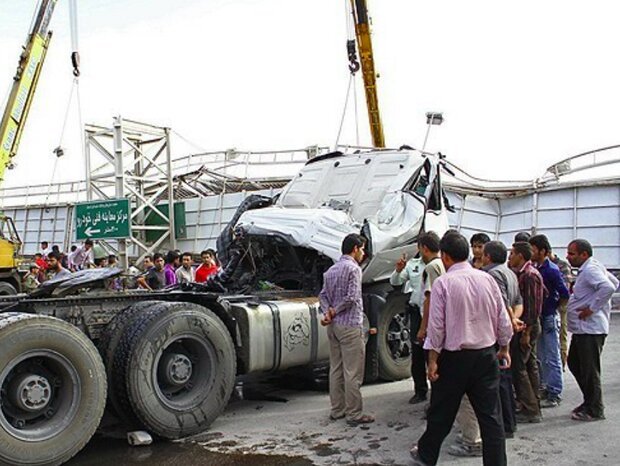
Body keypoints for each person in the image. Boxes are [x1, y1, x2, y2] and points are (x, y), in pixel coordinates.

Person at [410, 232, 512, 466]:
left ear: (445, 256)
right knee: (490, 418)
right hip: (486, 355)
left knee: (441, 413)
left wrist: (433, 359)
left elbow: (437, 326)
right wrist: (504, 347)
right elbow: (502, 319)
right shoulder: (487, 279)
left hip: (454, 359)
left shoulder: (444, 283)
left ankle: (426, 456)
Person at [449, 240, 523, 458]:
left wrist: (506, 333)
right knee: (503, 386)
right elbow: (516, 301)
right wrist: (513, 324)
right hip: (500, 337)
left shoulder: (489, 275)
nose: (478, 253)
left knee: (482, 398)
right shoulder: (509, 272)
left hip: (486, 342)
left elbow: (500, 307)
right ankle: (508, 426)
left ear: (488, 256)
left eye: (481, 250)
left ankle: (474, 440)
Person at [319, 233, 374, 427]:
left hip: (333, 326)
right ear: (355, 249)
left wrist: (327, 313)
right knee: (353, 372)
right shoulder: (354, 269)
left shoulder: (331, 271)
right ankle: (354, 413)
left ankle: (337, 410)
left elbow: (323, 295)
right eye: (362, 249)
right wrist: (336, 310)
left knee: (336, 368)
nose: (363, 253)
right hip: (350, 324)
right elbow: (352, 297)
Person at [566, 239, 618, 421]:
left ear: (584, 255)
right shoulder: (591, 268)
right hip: (583, 329)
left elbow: (609, 287)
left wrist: (592, 308)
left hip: (591, 329)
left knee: (589, 369)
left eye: (572, 254)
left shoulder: (590, 269)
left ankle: (595, 408)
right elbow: (614, 282)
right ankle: (590, 400)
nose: (568, 257)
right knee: (574, 362)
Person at [529, 234, 569, 408]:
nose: (531, 252)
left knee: (552, 356)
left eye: (533, 249)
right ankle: (547, 386)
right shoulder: (538, 267)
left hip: (549, 317)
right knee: (542, 355)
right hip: (542, 316)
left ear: (542, 251)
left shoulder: (551, 270)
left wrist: (554, 308)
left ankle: (554, 392)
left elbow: (564, 293)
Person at [508, 241, 544, 424]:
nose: (510, 257)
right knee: (529, 365)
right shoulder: (523, 274)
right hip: (527, 326)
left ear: (520, 256)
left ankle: (531, 408)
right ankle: (532, 403)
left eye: (512, 253)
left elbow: (533, 307)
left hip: (527, 327)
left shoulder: (529, 275)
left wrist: (526, 333)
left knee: (519, 368)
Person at [390, 252, 425, 404]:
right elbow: (396, 282)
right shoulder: (413, 264)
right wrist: (398, 270)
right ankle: (420, 391)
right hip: (417, 313)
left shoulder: (440, 263)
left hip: (435, 313)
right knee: (417, 355)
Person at [548, 249, 573, 369]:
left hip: (561, 307)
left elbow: (565, 289)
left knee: (561, 335)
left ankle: (561, 363)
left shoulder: (562, 265)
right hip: (551, 307)